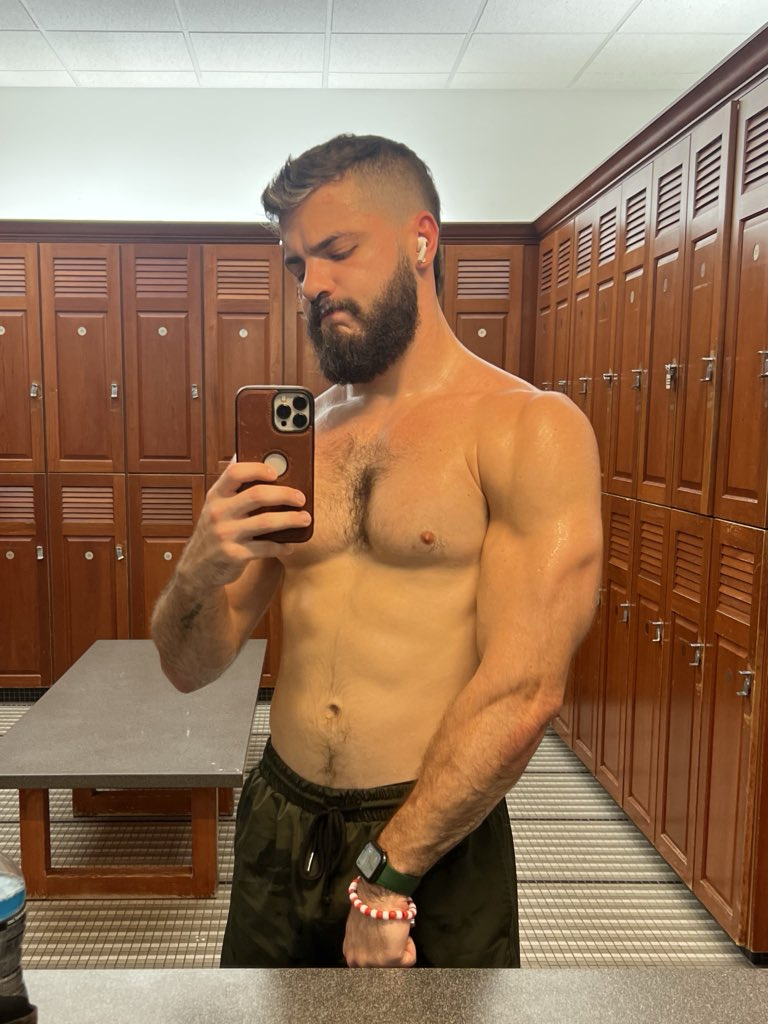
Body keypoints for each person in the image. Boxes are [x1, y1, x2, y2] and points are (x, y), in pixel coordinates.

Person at [151, 134, 603, 969]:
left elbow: (525, 689)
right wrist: (197, 570)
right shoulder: (302, 443)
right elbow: (189, 667)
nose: (313, 284)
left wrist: (390, 873)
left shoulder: (527, 428)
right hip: (280, 818)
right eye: (298, 265)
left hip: (432, 833)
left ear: (420, 241)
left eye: (337, 250)